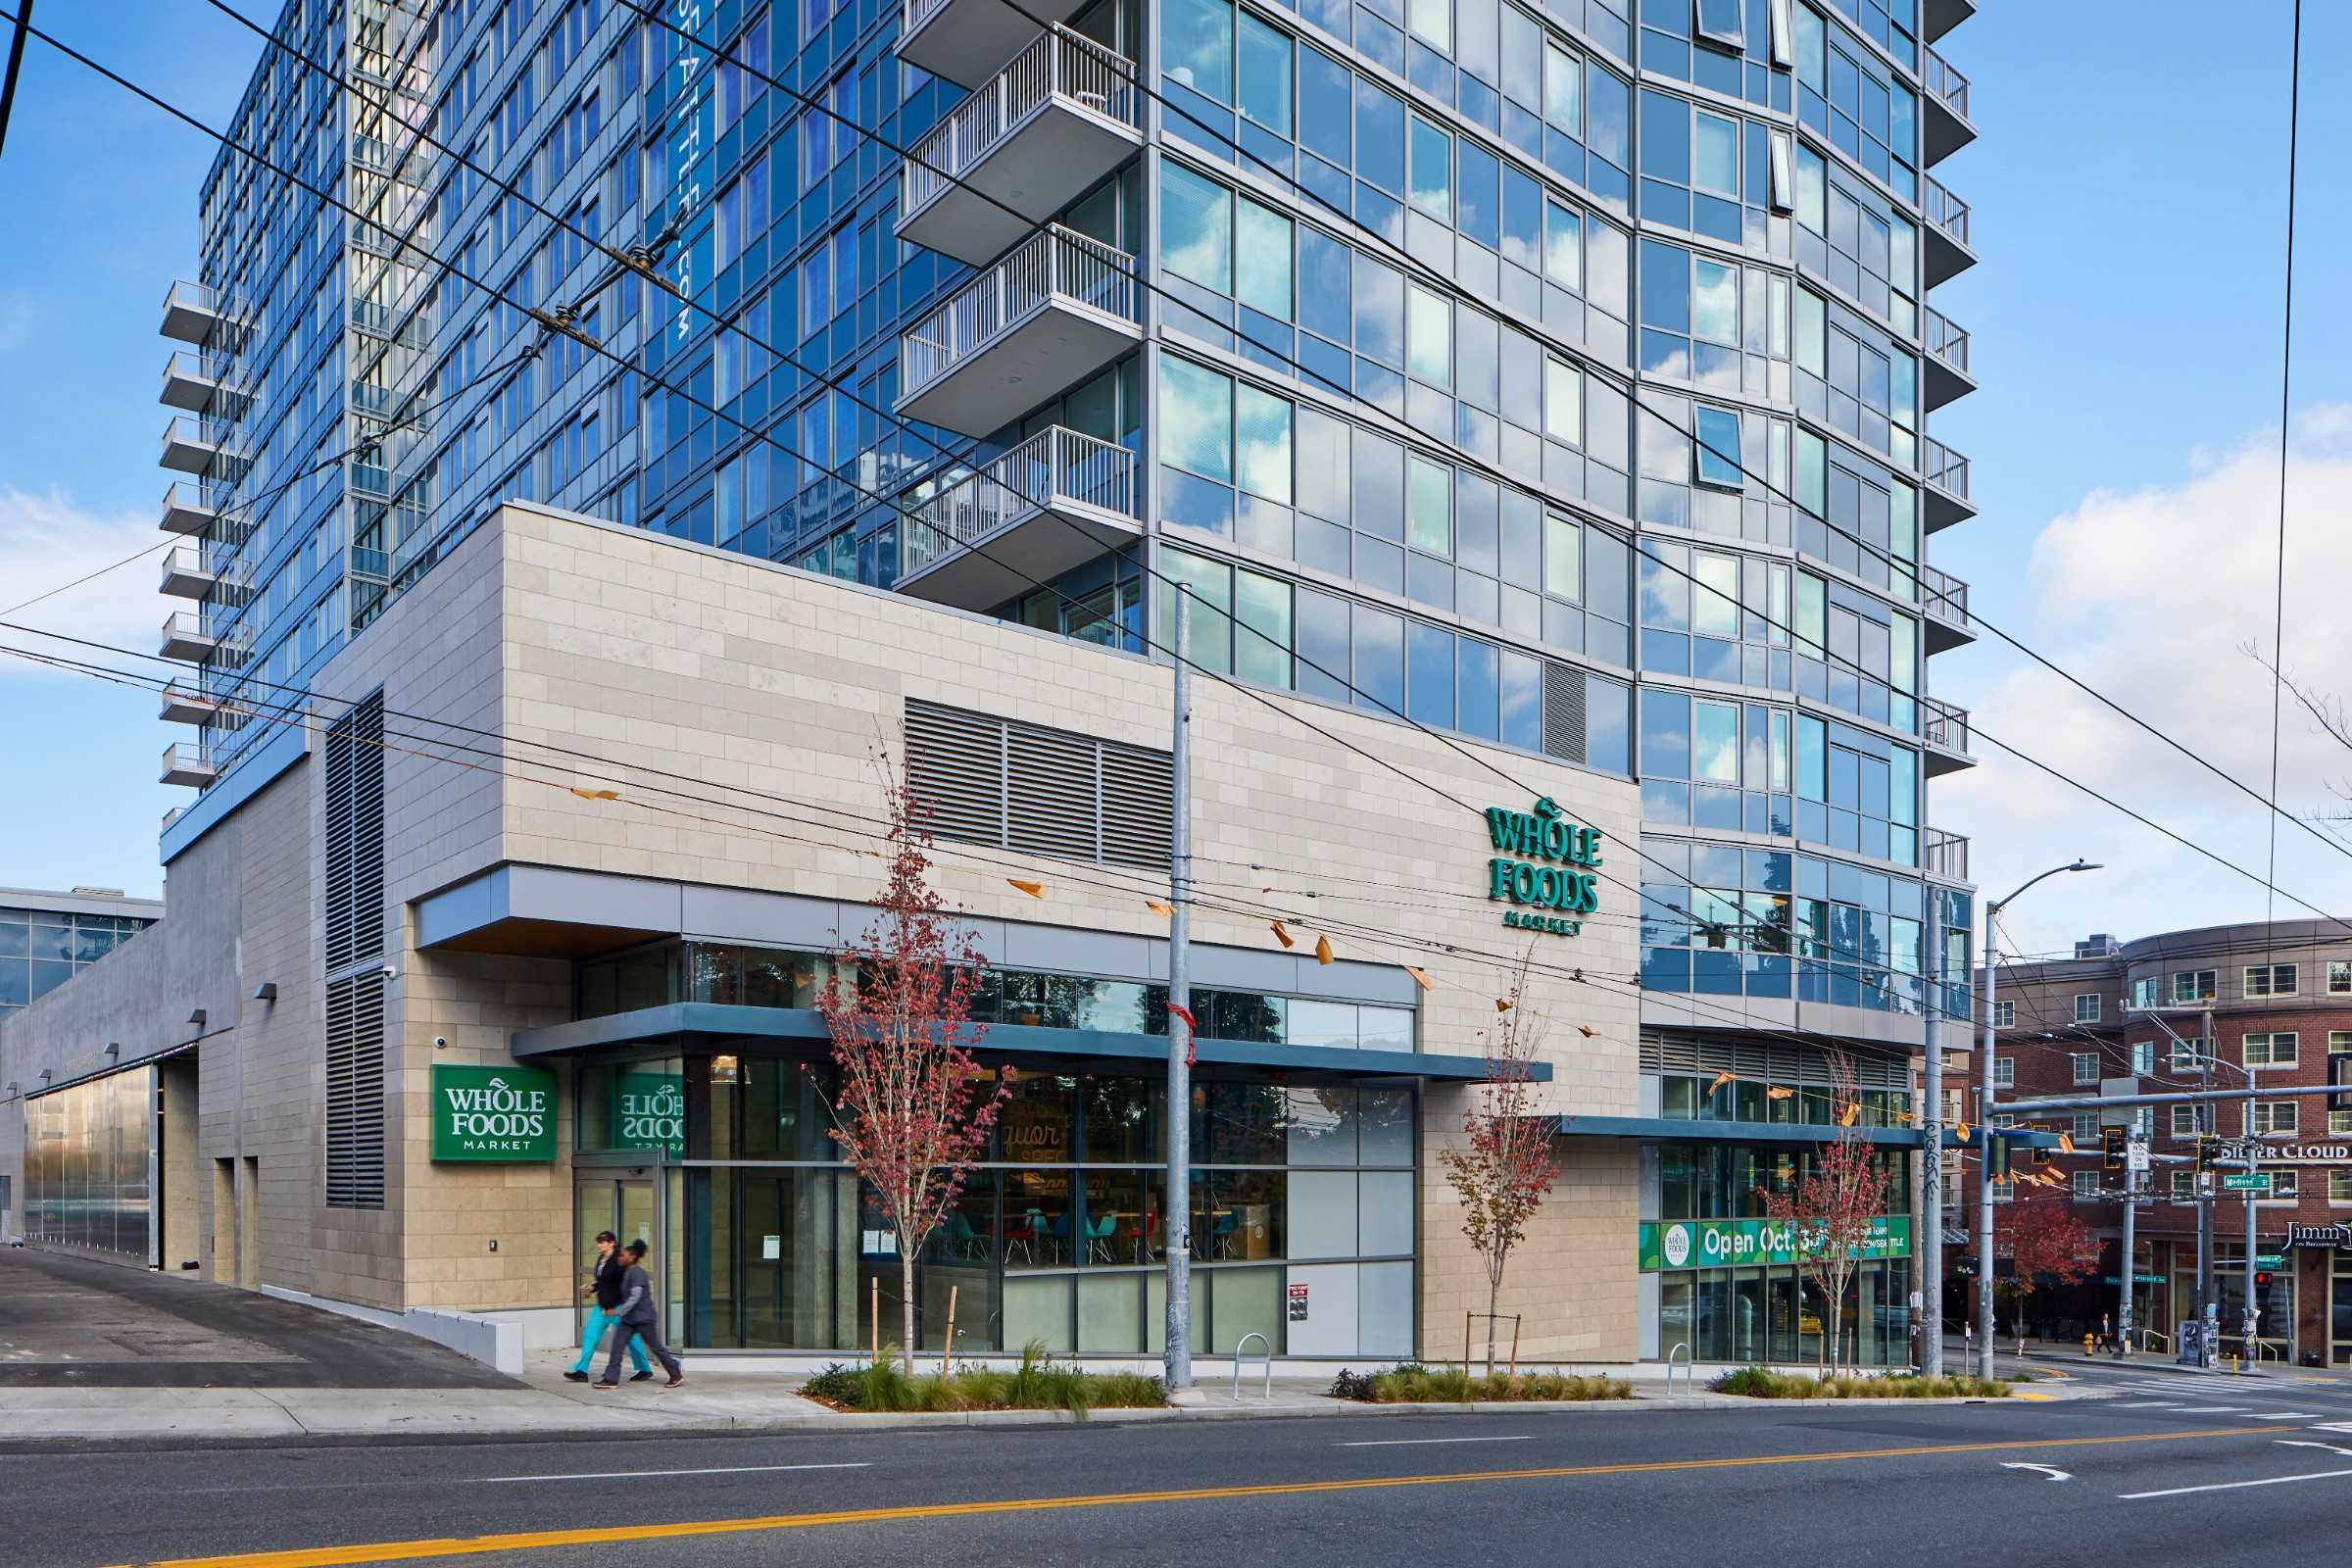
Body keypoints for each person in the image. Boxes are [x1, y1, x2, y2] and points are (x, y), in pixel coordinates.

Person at [594, 1240, 682, 1389]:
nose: (619, 1258)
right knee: (617, 1345)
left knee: (655, 1347)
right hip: (629, 1320)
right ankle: (611, 1379)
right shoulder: (626, 1273)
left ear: (632, 1257)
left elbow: (635, 1298)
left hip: (644, 1318)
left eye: (622, 1256)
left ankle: (675, 1372)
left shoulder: (637, 1274)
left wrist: (617, 1311)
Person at [565, 1230, 651, 1384]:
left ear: (612, 1243)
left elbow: (623, 1283)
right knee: (590, 1335)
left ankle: (644, 1369)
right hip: (602, 1307)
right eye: (598, 1242)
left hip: (617, 1308)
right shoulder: (601, 1259)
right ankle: (581, 1371)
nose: (599, 1245)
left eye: (603, 1242)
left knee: (631, 1338)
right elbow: (605, 1282)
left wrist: (621, 1307)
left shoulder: (619, 1261)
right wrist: (592, 1288)